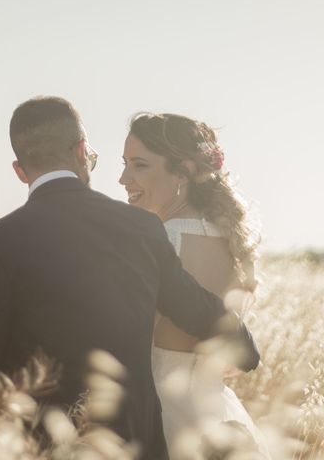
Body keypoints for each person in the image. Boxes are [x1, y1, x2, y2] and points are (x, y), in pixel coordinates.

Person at [0, 96, 260, 460]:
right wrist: (245, 348)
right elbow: (192, 304)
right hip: (141, 438)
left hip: (41, 441)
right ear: (81, 151)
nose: (123, 177)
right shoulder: (141, 228)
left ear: (20, 171)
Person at [119, 112, 268, 457]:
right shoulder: (232, 245)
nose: (123, 177)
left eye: (139, 165)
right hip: (215, 415)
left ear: (184, 171)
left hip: (155, 421)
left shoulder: (158, 244)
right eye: (125, 164)